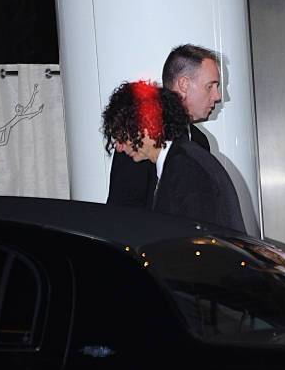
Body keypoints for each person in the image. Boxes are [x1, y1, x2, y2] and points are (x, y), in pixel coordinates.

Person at [102, 80, 245, 232]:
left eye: (122, 136)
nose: (119, 147)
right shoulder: (181, 160)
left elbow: (195, 242)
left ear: (146, 126)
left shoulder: (185, 167)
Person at [107, 44, 220, 207]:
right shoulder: (141, 138)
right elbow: (121, 212)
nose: (218, 96)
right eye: (210, 86)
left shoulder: (200, 140)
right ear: (184, 85)